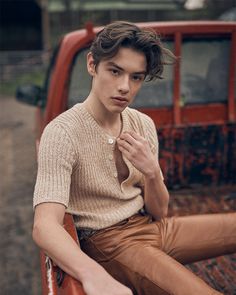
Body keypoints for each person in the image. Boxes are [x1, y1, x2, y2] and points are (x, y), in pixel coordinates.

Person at [32, 21, 236, 295]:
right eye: (115, 71)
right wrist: (93, 275)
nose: (124, 87)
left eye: (136, 77)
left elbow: (159, 211)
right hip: (110, 243)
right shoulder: (62, 132)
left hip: (152, 226)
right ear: (92, 65)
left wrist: (152, 172)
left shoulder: (142, 124)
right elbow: (44, 226)